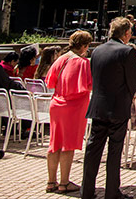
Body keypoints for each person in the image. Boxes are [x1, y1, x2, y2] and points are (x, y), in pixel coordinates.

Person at [82, 17, 136, 199]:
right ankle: (112, 192)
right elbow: (133, 81)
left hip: (98, 107)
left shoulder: (97, 50)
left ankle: (87, 191)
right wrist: (128, 98)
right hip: (117, 107)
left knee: (92, 150)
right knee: (114, 151)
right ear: (127, 34)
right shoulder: (126, 52)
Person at [45, 30, 93, 194]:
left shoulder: (61, 59)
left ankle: (51, 181)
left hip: (56, 104)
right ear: (84, 46)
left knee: (54, 143)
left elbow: (50, 82)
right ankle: (64, 182)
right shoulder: (82, 62)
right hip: (73, 106)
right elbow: (88, 84)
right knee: (68, 145)